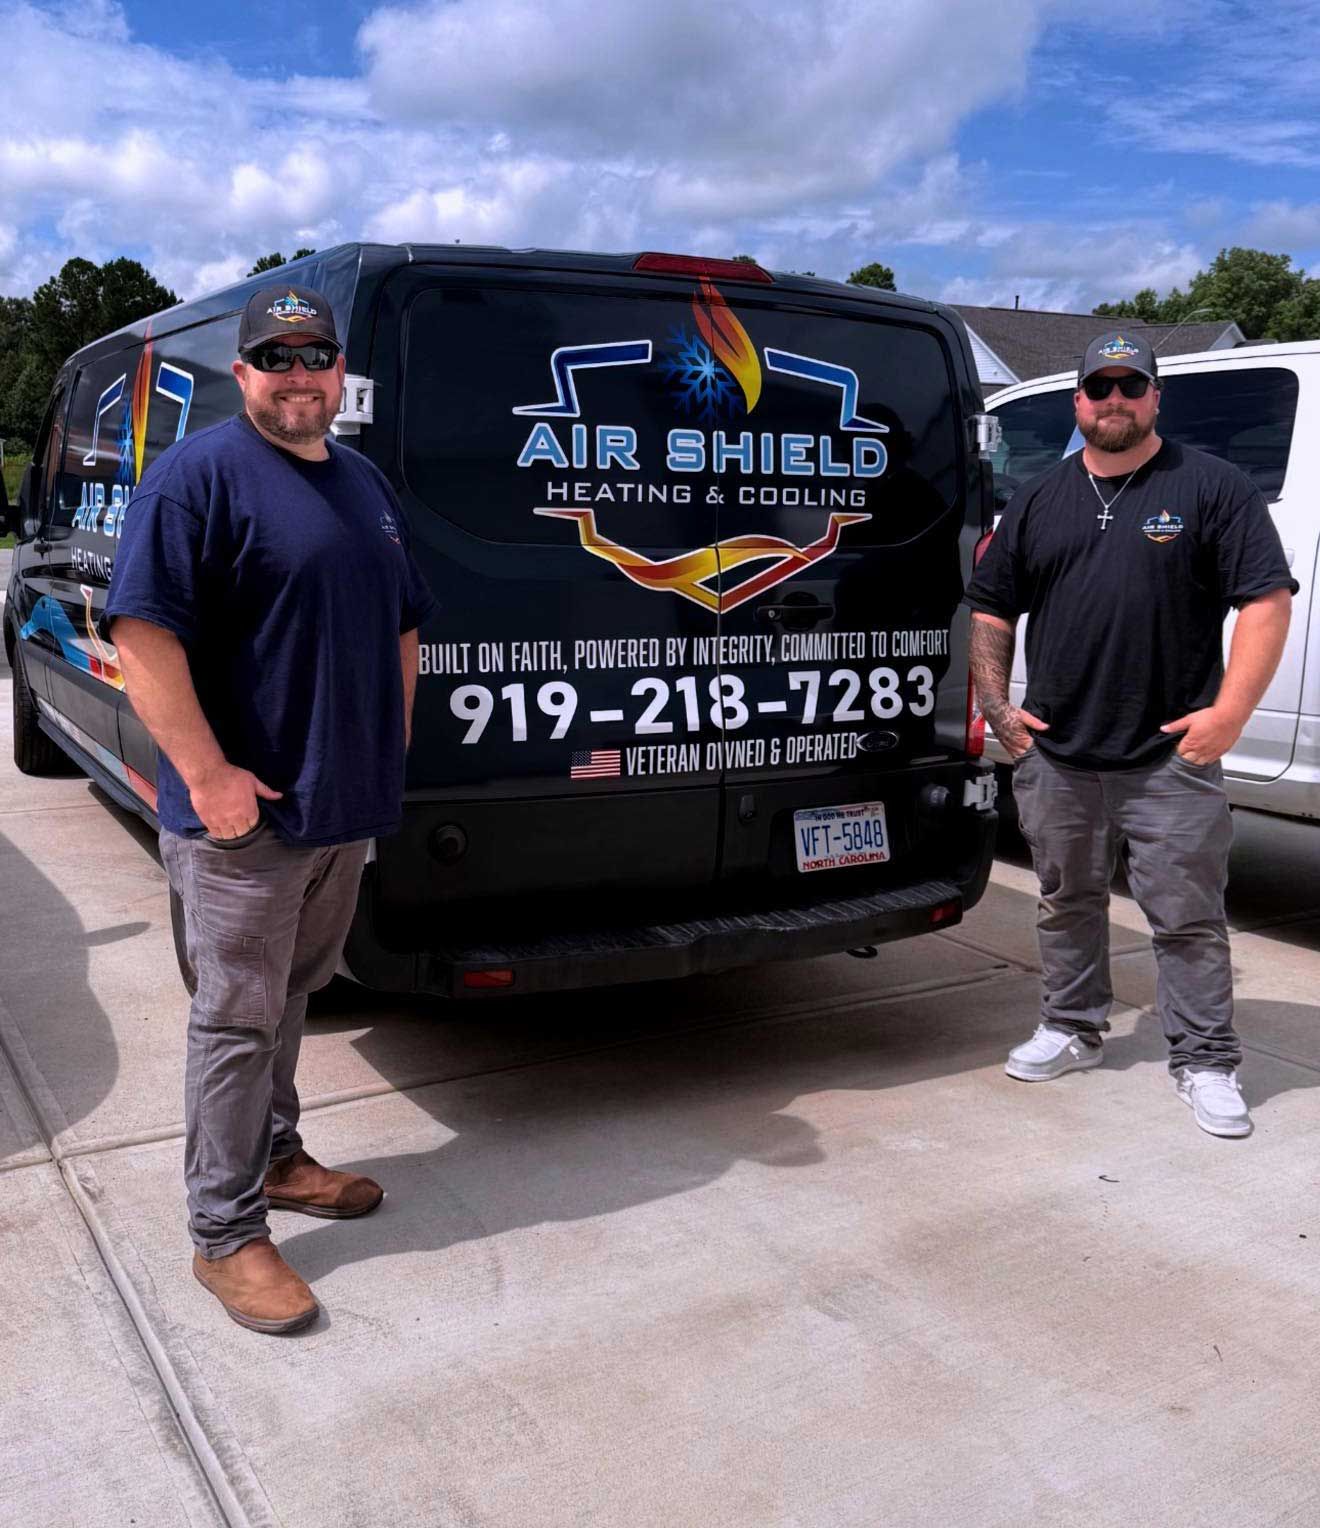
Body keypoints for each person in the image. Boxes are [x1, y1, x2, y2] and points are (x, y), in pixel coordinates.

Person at [106, 285, 436, 1332]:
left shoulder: (363, 481)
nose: (299, 377)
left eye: (315, 358)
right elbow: (142, 639)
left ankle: (280, 1158)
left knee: (293, 995)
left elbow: (402, 624)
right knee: (237, 1021)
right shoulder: (196, 479)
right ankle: (224, 1230)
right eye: (275, 359)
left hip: (339, 806)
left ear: (339, 372)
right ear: (242, 373)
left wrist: (393, 736)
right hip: (242, 822)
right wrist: (207, 779)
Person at [965, 331, 1295, 1139]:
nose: (1115, 400)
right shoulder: (1041, 498)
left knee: (1185, 918)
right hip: (1059, 754)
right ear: (1078, 402)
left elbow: (1266, 600)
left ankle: (1207, 1061)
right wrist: (999, 710)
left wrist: (1230, 715)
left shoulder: (1213, 487)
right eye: (1099, 388)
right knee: (1066, 900)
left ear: (1155, 398)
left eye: (1131, 386)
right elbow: (990, 606)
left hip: (1167, 756)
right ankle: (1072, 1028)